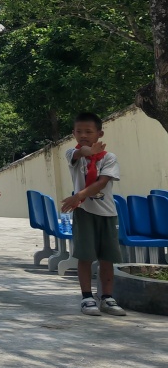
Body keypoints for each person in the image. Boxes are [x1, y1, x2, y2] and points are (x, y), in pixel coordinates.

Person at [60, 112, 125, 316]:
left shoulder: (109, 158)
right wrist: (88, 150)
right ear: (73, 133)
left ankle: (107, 297)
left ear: (100, 133)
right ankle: (87, 297)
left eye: (89, 131)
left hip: (107, 214)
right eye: (79, 131)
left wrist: (77, 196)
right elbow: (83, 152)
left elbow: (102, 182)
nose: (83, 135)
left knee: (107, 258)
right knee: (85, 256)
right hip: (84, 213)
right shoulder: (73, 154)